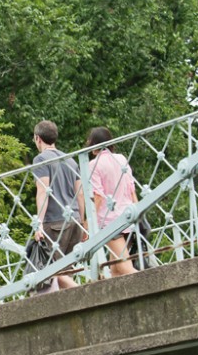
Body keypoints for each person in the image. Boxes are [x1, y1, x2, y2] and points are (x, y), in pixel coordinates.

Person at [32, 121, 86, 289]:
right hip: (74, 220)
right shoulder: (70, 160)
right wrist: (83, 223)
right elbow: (81, 193)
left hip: (54, 223)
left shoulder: (40, 159)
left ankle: (87, 294)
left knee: (53, 271)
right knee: (66, 270)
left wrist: (38, 224)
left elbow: (43, 191)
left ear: (37, 138)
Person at [86, 127, 138, 277]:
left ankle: (159, 285)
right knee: (116, 270)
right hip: (128, 216)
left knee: (125, 268)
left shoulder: (93, 165)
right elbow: (131, 188)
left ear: (94, 144)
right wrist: (138, 214)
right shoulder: (121, 158)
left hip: (110, 222)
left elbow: (99, 197)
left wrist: (88, 224)